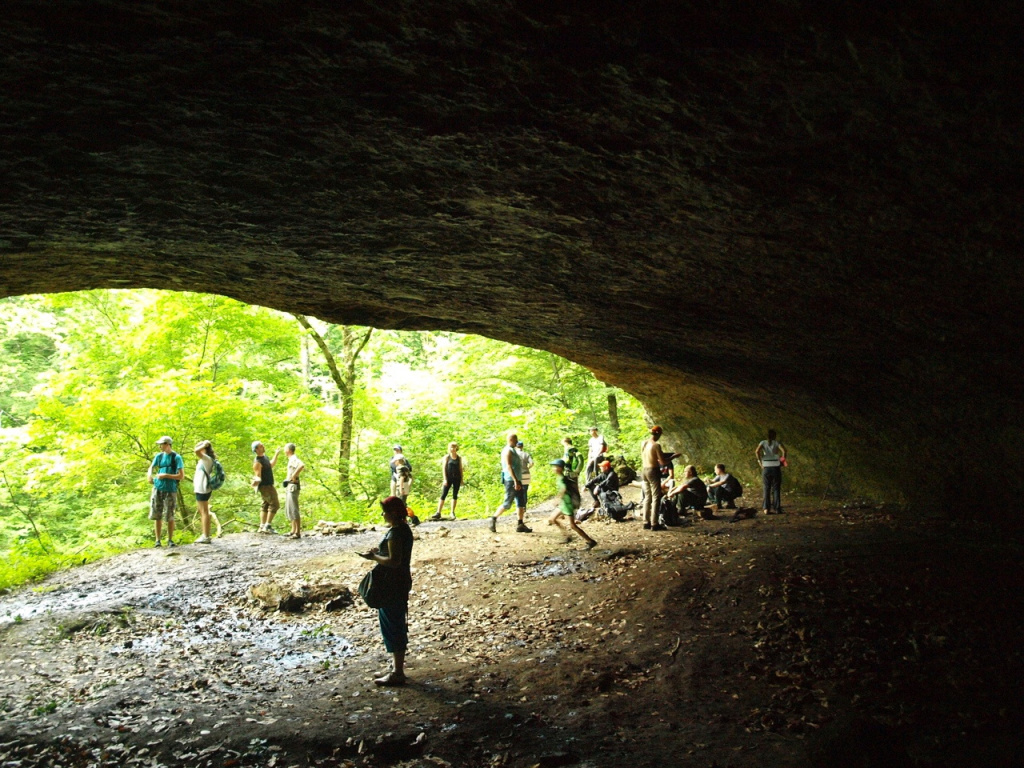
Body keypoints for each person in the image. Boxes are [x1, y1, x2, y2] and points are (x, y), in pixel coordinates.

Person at [358, 496, 414, 686]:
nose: (383, 515)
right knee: (394, 624)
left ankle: (398, 672)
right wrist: (379, 553)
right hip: (398, 583)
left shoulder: (396, 533)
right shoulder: (403, 530)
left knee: (393, 626)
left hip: (392, 585)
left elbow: (394, 561)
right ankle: (395, 668)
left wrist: (374, 557)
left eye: (385, 511)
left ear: (393, 513)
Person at [548, 459, 597, 549]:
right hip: (563, 504)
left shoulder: (562, 478)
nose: (553, 468)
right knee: (552, 519)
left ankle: (590, 541)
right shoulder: (560, 477)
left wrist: (557, 499)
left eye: (555, 467)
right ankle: (567, 536)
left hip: (567, 504)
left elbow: (563, 489)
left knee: (572, 525)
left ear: (560, 468)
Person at [489, 431, 531, 533]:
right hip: (511, 480)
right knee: (508, 502)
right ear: (511, 440)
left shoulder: (513, 450)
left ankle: (520, 524)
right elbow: (508, 466)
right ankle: (493, 518)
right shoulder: (507, 451)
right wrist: (515, 481)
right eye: (515, 440)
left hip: (518, 479)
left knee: (521, 502)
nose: (517, 441)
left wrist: (518, 480)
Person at [148, 436, 184, 547]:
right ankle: (157, 541)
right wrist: (149, 475)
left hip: (171, 489)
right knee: (157, 514)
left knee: (170, 514)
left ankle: (170, 540)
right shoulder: (158, 456)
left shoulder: (176, 457)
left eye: (161, 444)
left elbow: (181, 476)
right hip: (158, 488)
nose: (160, 446)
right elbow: (151, 467)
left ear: (167, 444)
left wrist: (166, 475)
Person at [641, 426, 669, 531]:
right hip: (653, 470)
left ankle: (645, 522)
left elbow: (647, 456)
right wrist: (673, 457)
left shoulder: (644, 443)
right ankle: (654, 523)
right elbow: (662, 462)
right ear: (658, 434)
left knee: (647, 497)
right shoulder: (656, 445)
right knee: (656, 497)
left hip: (644, 470)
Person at [430, 442, 465, 521]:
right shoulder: (447, 457)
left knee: (455, 495)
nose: (452, 449)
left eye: (454, 447)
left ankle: (452, 512)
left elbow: (460, 469)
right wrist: (445, 479)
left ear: (456, 448)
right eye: (451, 447)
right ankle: (438, 512)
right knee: (443, 494)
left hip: (457, 478)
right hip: (448, 478)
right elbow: (444, 468)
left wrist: (462, 480)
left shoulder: (459, 458)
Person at [756, 429, 787, 515]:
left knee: (766, 487)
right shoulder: (777, 443)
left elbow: (757, 451)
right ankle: (777, 509)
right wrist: (782, 461)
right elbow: (784, 451)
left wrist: (760, 462)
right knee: (776, 488)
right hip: (776, 466)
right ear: (775, 435)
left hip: (766, 466)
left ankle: (766, 509)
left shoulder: (762, 442)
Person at [252, 441, 281, 533]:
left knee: (266, 504)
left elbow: (270, 465)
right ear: (256, 450)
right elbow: (257, 475)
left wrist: (276, 454)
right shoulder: (257, 462)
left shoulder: (264, 457)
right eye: (261, 446)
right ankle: (267, 526)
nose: (263, 447)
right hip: (265, 486)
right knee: (275, 504)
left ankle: (262, 526)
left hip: (268, 484)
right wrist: (255, 482)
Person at [193, 440, 216, 544]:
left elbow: (196, 451)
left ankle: (206, 536)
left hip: (203, 488)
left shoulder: (206, 458)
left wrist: (204, 444)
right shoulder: (205, 459)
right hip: (201, 488)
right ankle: (205, 534)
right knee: (202, 511)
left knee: (204, 512)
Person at [283, 443, 305, 539]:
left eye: (285, 448)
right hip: (289, 485)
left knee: (294, 508)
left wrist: (294, 475)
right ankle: (293, 530)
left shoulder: (293, 458)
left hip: (293, 486)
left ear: (288, 450)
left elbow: (301, 465)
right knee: (290, 508)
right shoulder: (290, 459)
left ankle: (298, 532)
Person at [561, 437, 584, 512]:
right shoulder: (568, 449)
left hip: (571, 472)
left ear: (565, 442)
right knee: (569, 489)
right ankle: (571, 508)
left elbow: (580, 459)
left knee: (573, 489)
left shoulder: (571, 449)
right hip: (569, 472)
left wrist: (577, 470)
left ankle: (576, 507)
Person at [515, 440, 535, 507]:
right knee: (524, 491)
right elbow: (532, 463)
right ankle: (524, 507)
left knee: (517, 491)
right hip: (526, 474)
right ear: (522, 446)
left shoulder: (514, 454)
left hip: (517, 475)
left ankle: (519, 507)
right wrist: (528, 468)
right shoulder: (526, 454)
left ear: (516, 446)